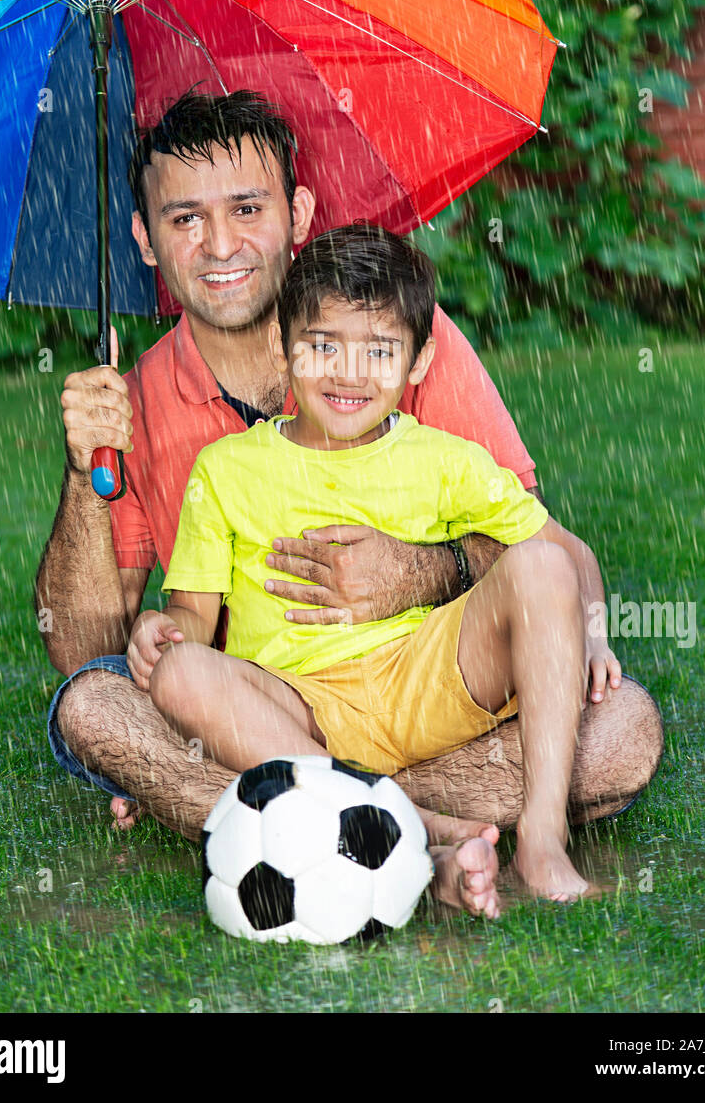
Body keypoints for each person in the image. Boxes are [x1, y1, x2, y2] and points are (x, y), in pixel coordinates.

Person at [37, 87, 662, 863]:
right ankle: (401, 822)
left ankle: (287, 812)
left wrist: (419, 572)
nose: (220, 245)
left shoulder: (394, 338)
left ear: (297, 217)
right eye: (184, 218)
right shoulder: (135, 405)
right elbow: (84, 647)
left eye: (246, 209)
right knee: (92, 709)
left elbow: (541, 564)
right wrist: (80, 476)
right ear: (144, 238)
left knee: (622, 732)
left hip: (433, 690)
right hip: (273, 702)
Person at [143, 222, 610, 909]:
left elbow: (572, 557)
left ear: (420, 360)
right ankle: (419, 831)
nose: (349, 373)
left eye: (380, 350)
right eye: (323, 345)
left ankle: (542, 838)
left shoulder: (446, 462)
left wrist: (592, 634)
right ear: (281, 346)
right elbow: (193, 615)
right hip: (297, 705)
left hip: (426, 681)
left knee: (538, 565)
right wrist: (165, 629)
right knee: (180, 673)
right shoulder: (227, 470)